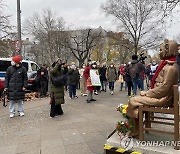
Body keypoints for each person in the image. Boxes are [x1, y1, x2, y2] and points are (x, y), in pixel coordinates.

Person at [127, 39, 179, 137]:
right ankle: (137, 128)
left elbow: (163, 89)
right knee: (136, 99)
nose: (159, 52)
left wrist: (147, 93)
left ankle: (136, 130)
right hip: (162, 96)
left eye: (160, 50)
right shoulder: (168, 65)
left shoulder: (170, 68)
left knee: (133, 101)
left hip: (163, 98)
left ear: (168, 50)